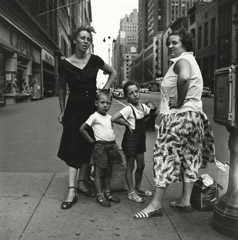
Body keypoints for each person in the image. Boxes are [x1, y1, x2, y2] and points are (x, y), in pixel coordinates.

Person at [134, 28, 216, 219]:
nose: (170, 46)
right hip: (195, 118)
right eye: (168, 43)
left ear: (184, 44)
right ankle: (185, 202)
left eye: (174, 43)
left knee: (164, 158)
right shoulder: (192, 60)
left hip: (178, 118)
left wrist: (179, 101)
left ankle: (155, 205)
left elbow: (185, 78)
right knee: (190, 158)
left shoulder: (182, 61)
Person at [58, 26, 117, 210]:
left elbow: (113, 73)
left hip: (91, 111)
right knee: (72, 147)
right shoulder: (65, 63)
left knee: (88, 145)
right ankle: (71, 189)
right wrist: (61, 111)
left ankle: (82, 182)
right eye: (82, 38)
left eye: (88, 39)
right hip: (73, 110)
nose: (85, 41)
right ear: (75, 40)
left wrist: (104, 89)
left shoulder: (95, 60)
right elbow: (61, 89)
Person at [111, 81, 153, 203]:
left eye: (136, 91)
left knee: (141, 165)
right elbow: (114, 118)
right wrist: (125, 123)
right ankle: (131, 191)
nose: (135, 95)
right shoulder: (128, 109)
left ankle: (138, 187)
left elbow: (151, 114)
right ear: (127, 97)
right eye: (131, 93)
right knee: (130, 166)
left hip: (140, 141)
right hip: (130, 141)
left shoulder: (144, 107)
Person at [80, 89, 122, 207]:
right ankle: (100, 196)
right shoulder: (94, 116)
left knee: (109, 171)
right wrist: (91, 140)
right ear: (96, 103)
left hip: (111, 146)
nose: (105, 105)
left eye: (107, 103)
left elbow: (109, 129)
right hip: (100, 147)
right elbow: (82, 129)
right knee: (99, 172)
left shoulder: (110, 117)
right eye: (102, 102)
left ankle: (107, 192)